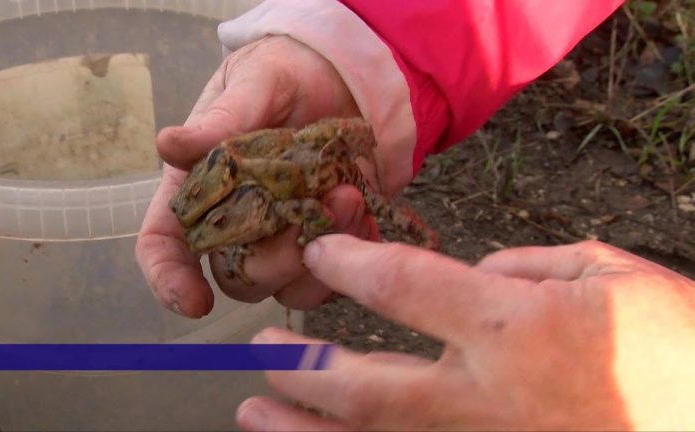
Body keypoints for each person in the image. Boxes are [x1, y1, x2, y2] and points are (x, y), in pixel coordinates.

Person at [135, 0, 695, 430]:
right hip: (298, 158)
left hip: (317, 172)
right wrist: (359, 47)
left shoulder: (289, 188)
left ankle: (413, 238)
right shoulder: (242, 181)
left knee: (359, 211)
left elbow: (311, 204)